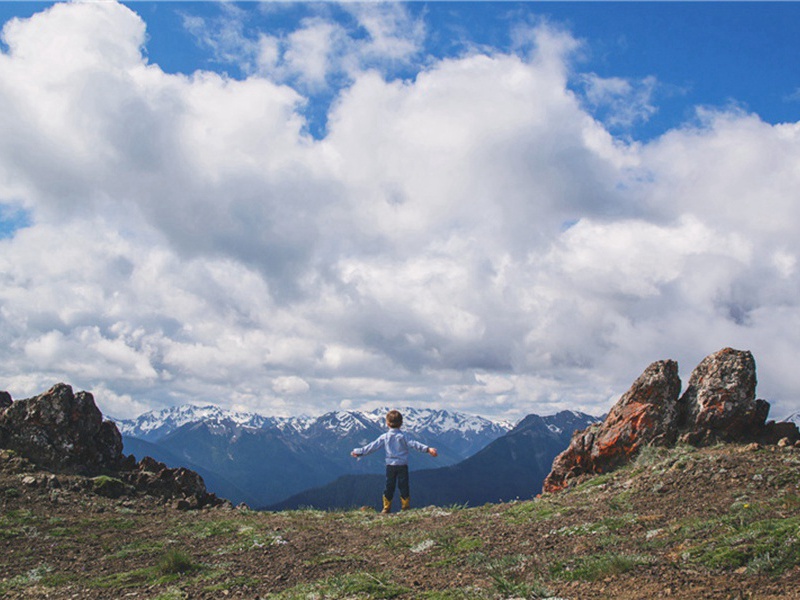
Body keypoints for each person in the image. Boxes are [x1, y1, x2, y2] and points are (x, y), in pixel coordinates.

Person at [351, 409, 438, 513]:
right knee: (404, 486)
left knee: (389, 486)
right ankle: (405, 507)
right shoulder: (404, 436)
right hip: (402, 466)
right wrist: (428, 449)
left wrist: (359, 452)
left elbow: (372, 447)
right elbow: (414, 444)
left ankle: (386, 508)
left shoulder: (385, 437)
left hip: (390, 466)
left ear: (387, 423)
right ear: (401, 423)